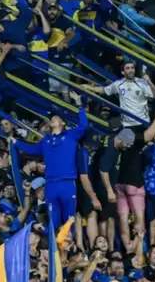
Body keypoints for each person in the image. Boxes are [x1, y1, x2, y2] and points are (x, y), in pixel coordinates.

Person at [11, 92, 99, 230]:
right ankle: (54, 244)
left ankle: (69, 243)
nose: (52, 118)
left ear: (63, 123)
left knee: (69, 222)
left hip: (67, 183)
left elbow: (83, 125)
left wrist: (79, 104)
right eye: (51, 118)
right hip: (51, 184)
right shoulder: (46, 140)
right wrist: (16, 142)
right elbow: (32, 149)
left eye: (56, 117)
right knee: (54, 222)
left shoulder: (71, 135)